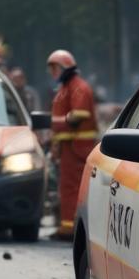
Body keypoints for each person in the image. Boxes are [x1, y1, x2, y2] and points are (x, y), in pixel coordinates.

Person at [48, 49, 98, 240]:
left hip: (78, 147)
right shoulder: (66, 88)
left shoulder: (79, 87)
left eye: (55, 68)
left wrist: (59, 122)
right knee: (67, 187)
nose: (53, 73)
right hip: (68, 146)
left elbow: (79, 114)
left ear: (64, 68)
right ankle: (68, 225)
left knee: (72, 187)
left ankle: (71, 228)